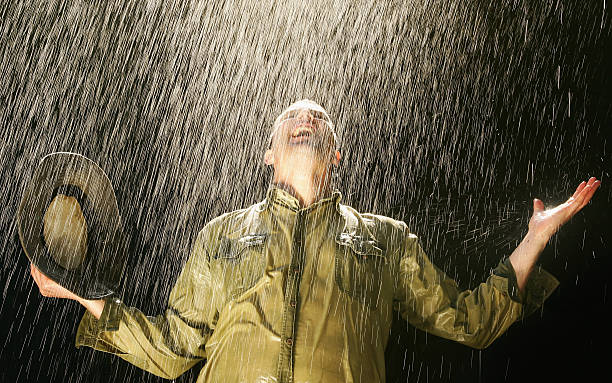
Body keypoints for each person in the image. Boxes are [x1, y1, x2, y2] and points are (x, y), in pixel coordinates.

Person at [30, 99, 601, 383]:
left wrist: (534, 238)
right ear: (271, 156)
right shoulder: (221, 236)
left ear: (335, 154)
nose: (307, 118)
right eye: (292, 121)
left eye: (319, 121)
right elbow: (174, 347)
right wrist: (83, 296)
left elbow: (471, 322)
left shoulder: (386, 241)